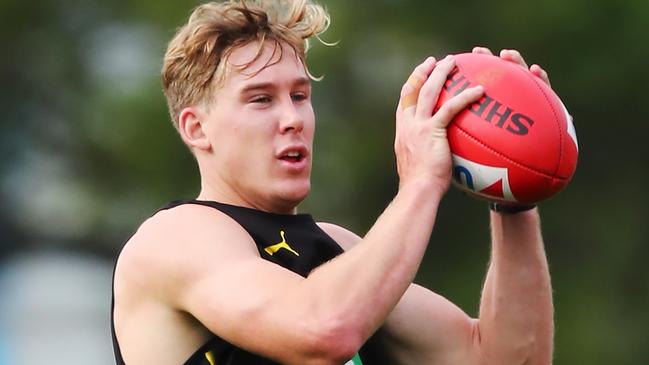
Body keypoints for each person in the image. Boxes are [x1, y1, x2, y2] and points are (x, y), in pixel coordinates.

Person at [111, 1, 554, 364]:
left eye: (300, 96)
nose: (292, 119)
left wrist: (514, 192)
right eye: (261, 99)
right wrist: (420, 181)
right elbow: (322, 330)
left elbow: (504, 360)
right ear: (196, 129)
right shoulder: (176, 237)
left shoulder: (341, 250)